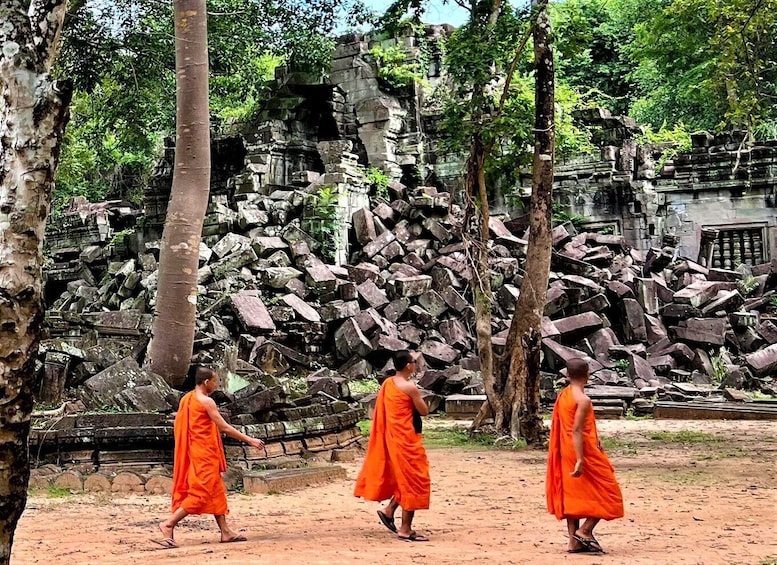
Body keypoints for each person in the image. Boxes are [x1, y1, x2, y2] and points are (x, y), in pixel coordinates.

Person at [153, 365, 265, 549]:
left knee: (215, 490)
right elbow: (225, 428)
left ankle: (225, 532)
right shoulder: (206, 402)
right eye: (215, 381)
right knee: (200, 493)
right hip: (203, 454)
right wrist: (250, 440)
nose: (217, 385)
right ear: (206, 382)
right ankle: (168, 524)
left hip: (197, 451)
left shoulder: (186, 399)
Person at [546, 357, 624, 554]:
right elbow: (577, 431)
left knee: (574, 494)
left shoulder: (564, 395)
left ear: (568, 375)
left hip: (566, 450)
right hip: (583, 452)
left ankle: (574, 542)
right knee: (609, 491)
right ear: (587, 376)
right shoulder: (583, 400)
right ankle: (585, 531)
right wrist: (581, 459)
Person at [354, 350, 431, 542]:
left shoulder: (387, 384)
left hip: (392, 438)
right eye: (414, 362)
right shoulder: (409, 388)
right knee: (413, 480)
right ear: (408, 366)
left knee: (403, 479)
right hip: (407, 441)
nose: (416, 364)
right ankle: (406, 529)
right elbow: (424, 411)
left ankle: (389, 511)